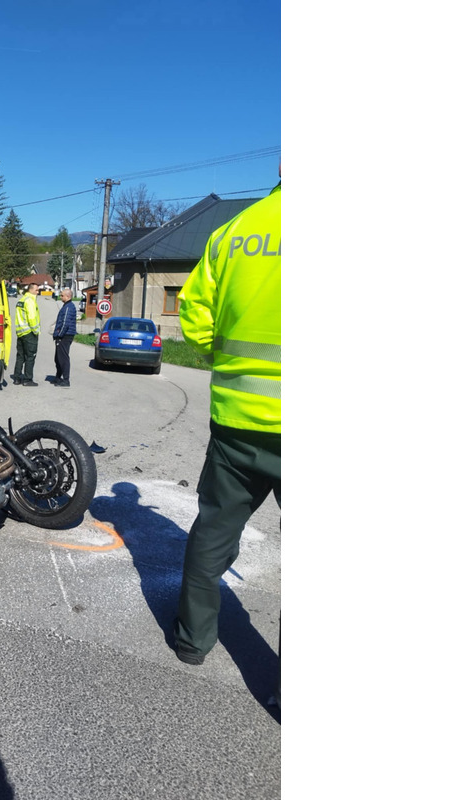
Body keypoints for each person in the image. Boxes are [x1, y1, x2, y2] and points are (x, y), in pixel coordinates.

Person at [172, 180, 280, 669]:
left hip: (236, 418)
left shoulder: (233, 232)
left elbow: (193, 315)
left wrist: (224, 359)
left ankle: (192, 642)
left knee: (213, 530)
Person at [11, 283, 40, 387]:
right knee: (30, 356)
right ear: (31, 290)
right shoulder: (30, 301)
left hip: (20, 332)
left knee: (20, 356)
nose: (38, 292)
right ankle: (28, 379)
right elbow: (32, 318)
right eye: (36, 290)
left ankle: (17, 378)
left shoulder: (21, 300)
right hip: (29, 333)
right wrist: (36, 331)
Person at [51, 288, 77, 387]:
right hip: (64, 335)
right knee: (57, 358)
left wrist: (59, 335)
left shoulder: (68, 307)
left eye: (62, 295)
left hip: (65, 336)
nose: (60, 297)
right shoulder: (66, 306)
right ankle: (58, 377)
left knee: (63, 358)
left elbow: (65, 323)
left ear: (67, 296)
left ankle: (66, 380)